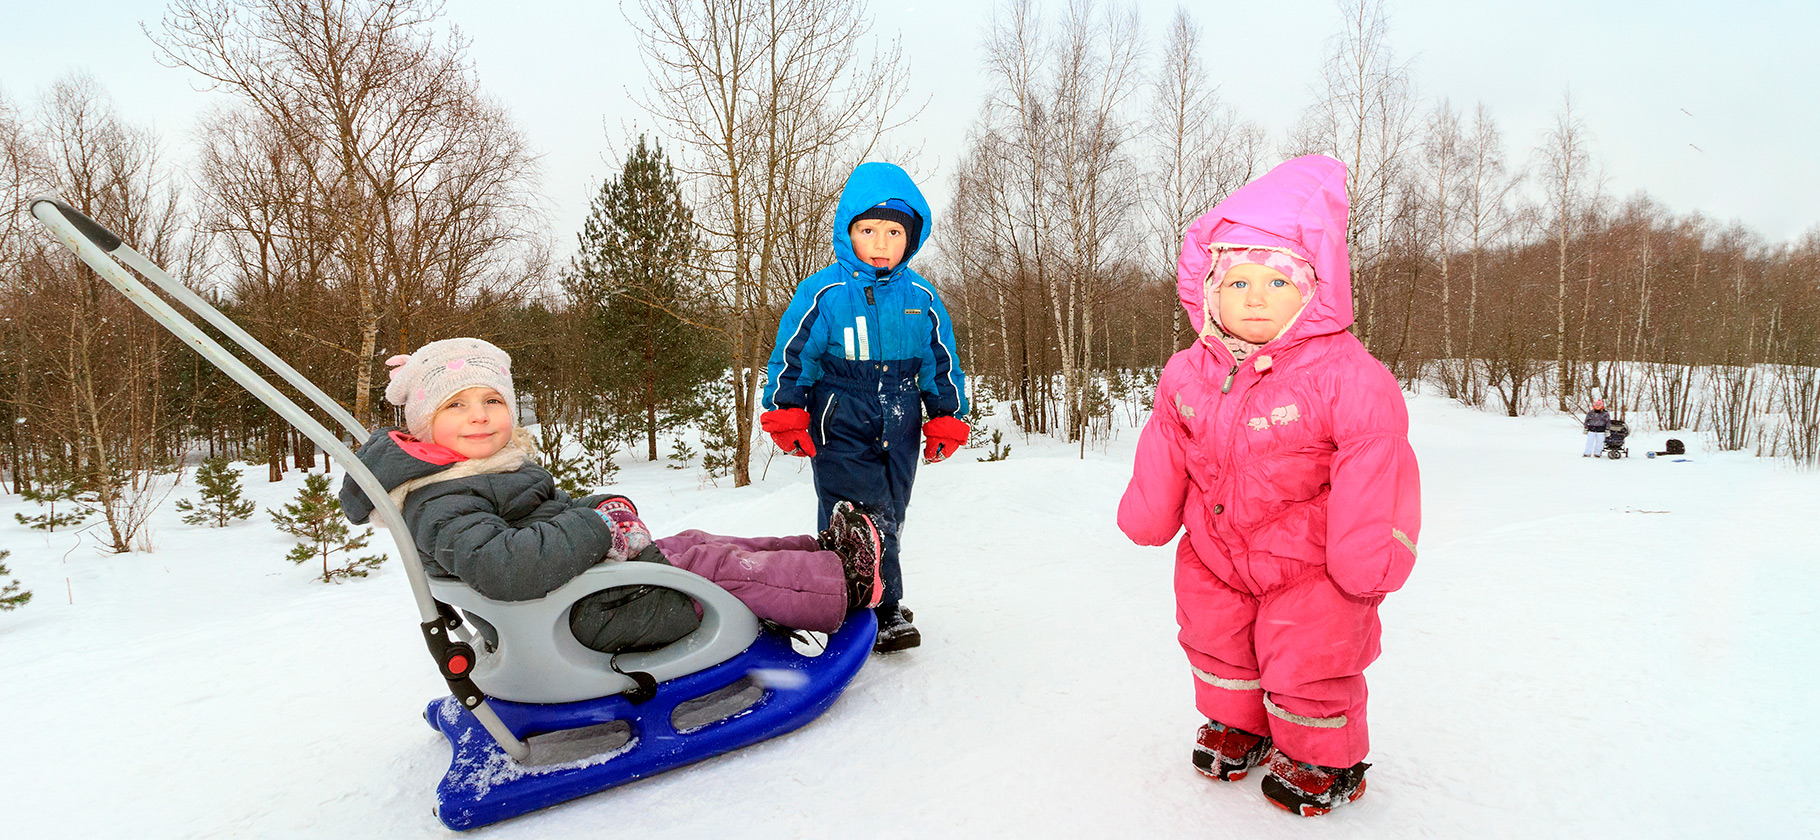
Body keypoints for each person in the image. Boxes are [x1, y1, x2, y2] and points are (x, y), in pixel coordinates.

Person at [1117, 156, 1421, 817]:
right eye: (1240, 280)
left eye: (1279, 280)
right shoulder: (1188, 370)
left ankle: (1324, 758)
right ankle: (1240, 723)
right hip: (1216, 548)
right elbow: (1169, 439)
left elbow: (1376, 461)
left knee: (1309, 657)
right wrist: (1149, 511)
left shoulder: (1348, 375)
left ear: (1316, 290)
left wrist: (1367, 554)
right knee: (1214, 638)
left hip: (1311, 561)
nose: (1256, 296)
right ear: (1209, 289)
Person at [338, 337, 884, 655]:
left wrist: (599, 508)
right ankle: (843, 587)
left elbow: (541, 517)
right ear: (423, 423)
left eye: (491, 400)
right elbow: (505, 566)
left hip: (584, 593)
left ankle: (815, 552)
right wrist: (599, 527)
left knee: (691, 543)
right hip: (574, 620)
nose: (479, 414)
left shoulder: (480, 470)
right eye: (455, 406)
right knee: (707, 566)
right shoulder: (440, 497)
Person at [760, 161, 968, 654]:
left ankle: (862, 591)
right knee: (856, 515)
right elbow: (794, 354)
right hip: (841, 412)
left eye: (893, 232)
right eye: (868, 229)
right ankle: (881, 606)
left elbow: (940, 362)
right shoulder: (825, 293)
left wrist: (945, 416)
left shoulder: (922, 298)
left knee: (891, 511)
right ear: (847, 230)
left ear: (910, 237)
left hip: (900, 416)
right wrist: (787, 408)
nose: (879, 243)